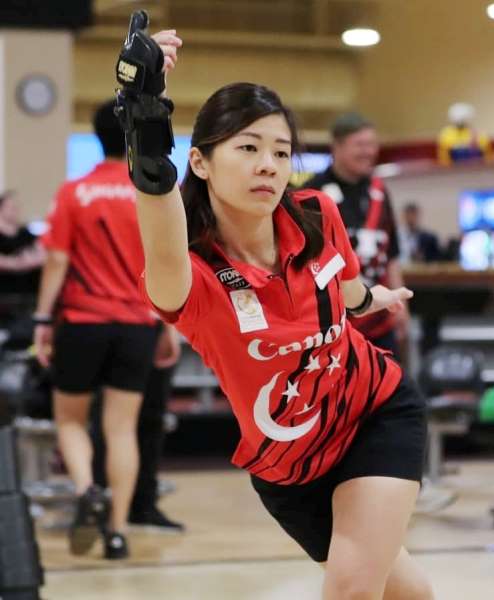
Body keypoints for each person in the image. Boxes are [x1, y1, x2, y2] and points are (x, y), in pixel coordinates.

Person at [114, 16, 432, 599]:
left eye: (282, 152)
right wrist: (145, 113)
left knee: (352, 592)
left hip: (374, 413)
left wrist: (374, 298)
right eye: (249, 147)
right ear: (203, 162)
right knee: (411, 596)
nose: (268, 164)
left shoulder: (315, 212)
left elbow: (345, 286)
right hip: (289, 471)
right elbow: (157, 198)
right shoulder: (191, 275)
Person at [33, 99, 160, 559]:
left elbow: (56, 260)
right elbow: (165, 262)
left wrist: (43, 320)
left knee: (69, 419)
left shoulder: (73, 192)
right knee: (121, 430)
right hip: (136, 325)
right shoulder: (147, 193)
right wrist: (166, 326)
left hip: (82, 324)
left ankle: (88, 488)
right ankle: (119, 531)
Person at [303, 112, 408, 361]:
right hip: (332, 323)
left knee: (388, 393)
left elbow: (391, 255)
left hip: (381, 320)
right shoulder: (310, 194)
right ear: (336, 147)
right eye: (360, 145)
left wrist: (403, 311)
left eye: (372, 145)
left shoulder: (380, 191)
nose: (368, 152)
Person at [91, 322, 185, 532]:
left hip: (144, 324)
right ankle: (102, 506)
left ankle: (139, 505)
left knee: (148, 419)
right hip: (110, 322)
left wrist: (168, 328)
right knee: (113, 425)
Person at [0, 190, 46, 273]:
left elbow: (43, 253)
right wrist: (16, 263)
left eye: (16, 207)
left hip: (28, 282)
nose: (14, 210)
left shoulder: (26, 233)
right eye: (10, 207)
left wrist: (32, 260)